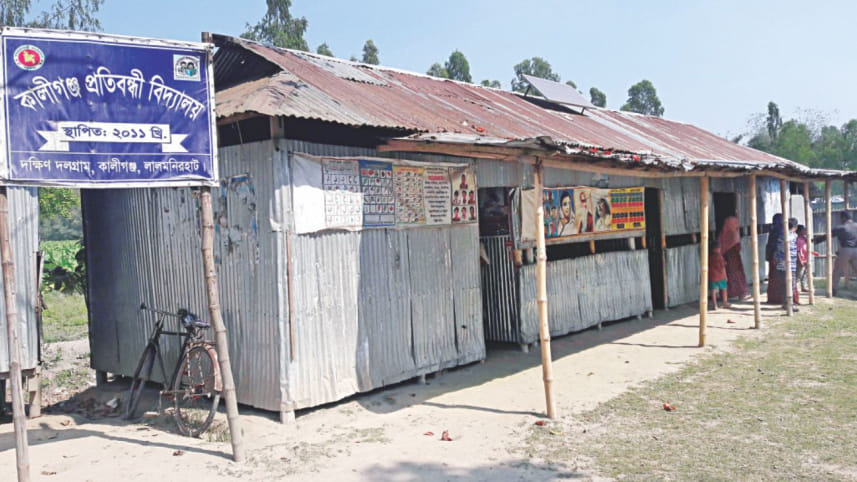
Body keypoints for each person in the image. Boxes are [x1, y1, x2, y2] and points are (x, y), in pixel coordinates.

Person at [718, 216, 748, 299]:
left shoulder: (723, 233)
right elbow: (738, 247)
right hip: (734, 259)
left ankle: (726, 294)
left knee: (727, 276)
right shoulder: (734, 233)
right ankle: (741, 294)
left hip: (724, 258)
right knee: (737, 275)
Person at [774, 217, 800, 309]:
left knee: (784, 286)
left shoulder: (781, 235)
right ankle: (789, 304)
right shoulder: (793, 236)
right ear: (795, 227)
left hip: (780, 265)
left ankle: (785, 303)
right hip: (790, 265)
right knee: (791, 285)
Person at [766, 213, 784, 305]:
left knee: (773, 278)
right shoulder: (778, 230)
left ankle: (774, 298)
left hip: (773, 257)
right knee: (779, 278)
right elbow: (774, 245)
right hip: (777, 258)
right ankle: (778, 298)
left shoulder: (773, 229)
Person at [709, 241, 729, 310]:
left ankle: (715, 305)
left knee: (713, 290)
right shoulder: (720, 257)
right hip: (720, 276)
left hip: (712, 277)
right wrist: (725, 276)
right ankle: (725, 302)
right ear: (718, 249)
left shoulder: (709, 257)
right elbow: (723, 267)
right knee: (724, 289)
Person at [796, 225, 809, 292]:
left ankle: (804, 286)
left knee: (805, 273)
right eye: (803, 230)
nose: (805, 231)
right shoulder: (798, 239)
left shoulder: (804, 238)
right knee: (799, 274)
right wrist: (800, 260)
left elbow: (805, 249)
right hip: (801, 259)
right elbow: (798, 251)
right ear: (800, 231)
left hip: (806, 258)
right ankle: (797, 289)